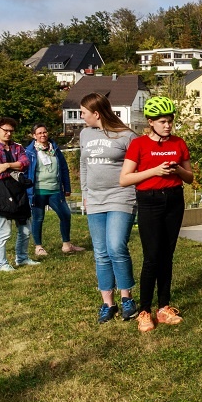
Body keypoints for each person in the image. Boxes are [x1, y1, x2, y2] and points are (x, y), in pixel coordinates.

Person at [120, 96, 194, 333]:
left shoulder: (179, 142)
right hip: (149, 201)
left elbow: (190, 177)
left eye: (170, 121)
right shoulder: (138, 144)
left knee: (167, 255)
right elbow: (124, 179)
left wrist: (177, 169)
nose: (168, 125)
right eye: (162, 121)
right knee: (152, 256)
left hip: (174, 198)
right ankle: (144, 310)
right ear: (151, 122)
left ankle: (164, 307)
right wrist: (155, 170)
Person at [78, 93, 139, 323]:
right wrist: (85, 193)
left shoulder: (127, 135)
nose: (81, 116)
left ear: (96, 113)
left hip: (121, 196)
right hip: (95, 199)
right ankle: (108, 303)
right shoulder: (85, 133)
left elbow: (137, 168)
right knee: (101, 252)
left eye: (84, 112)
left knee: (116, 247)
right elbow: (84, 164)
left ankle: (127, 299)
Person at [0, 116, 37, 271]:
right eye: (5, 130)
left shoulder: (17, 147)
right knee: (4, 230)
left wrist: (7, 165)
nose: (8, 134)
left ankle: (22, 258)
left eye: (11, 131)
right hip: (2, 192)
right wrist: (16, 167)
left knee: (25, 229)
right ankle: (1, 264)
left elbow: (26, 164)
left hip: (19, 193)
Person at [26, 124, 84, 257]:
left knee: (65, 215)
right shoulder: (29, 152)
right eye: (39, 133)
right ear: (34, 136)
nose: (43, 135)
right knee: (38, 218)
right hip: (38, 191)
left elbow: (64, 169)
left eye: (44, 132)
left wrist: (67, 187)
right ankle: (39, 247)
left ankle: (67, 244)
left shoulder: (55, 149)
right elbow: (26, 172)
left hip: (55, 191)